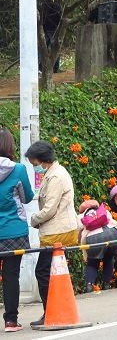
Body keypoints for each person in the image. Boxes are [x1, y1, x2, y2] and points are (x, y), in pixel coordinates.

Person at [26, 140, 78, 326]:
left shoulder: (55, 177)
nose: (35, 168)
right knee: (56, 273)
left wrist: (33, 219)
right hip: (59, 230)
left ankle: (50, 311)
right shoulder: (53, 173)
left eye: (34, 164)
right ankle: (57, 309)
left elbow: (49, 209)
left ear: (42, 160)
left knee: (42, 272)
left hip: (58, 232)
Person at [0, 129, 33, 331]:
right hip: (14, 231)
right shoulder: (18, 169)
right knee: (11, 275)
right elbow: (27, 196)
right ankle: (11, 320)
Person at [77, 199, 117, 291]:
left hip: (94, 238)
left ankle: (89, 286)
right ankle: (106, 284)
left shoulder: (81, 216)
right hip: (114, 233)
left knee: (92, 262)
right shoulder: (103, 211)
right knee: (109, 258)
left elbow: (78, 232)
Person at [40, 0, 62, 73]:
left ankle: (41, 67)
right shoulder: (57, 6)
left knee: (43, 49)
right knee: (55, 49)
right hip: (55, 30)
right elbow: (61, 18)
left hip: (44, 30)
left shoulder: (42, 6)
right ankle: (55, 68)